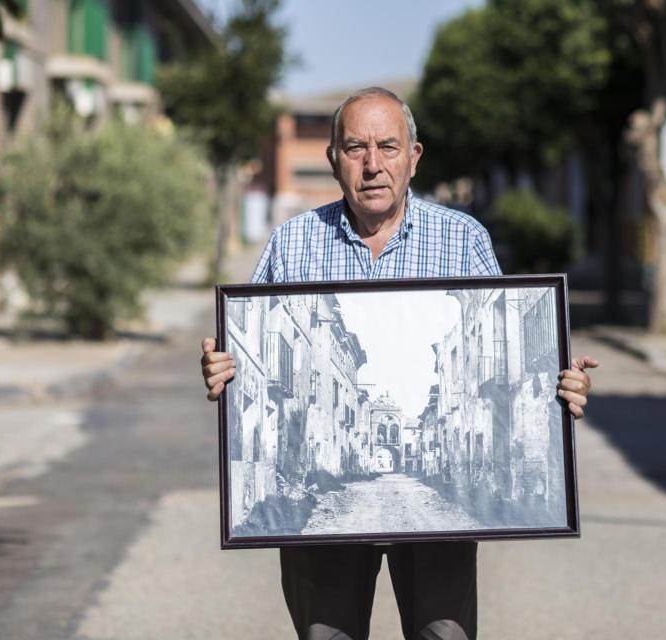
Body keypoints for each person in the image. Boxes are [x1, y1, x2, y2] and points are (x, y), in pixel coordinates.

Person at [200, 87, 599, 640]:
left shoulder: (463, 240)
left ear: (414, 158)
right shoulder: (292, 244)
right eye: (355, 147)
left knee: (444, 636)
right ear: (333, 160)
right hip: (325, 541)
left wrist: (563, 385)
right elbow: (248, 345)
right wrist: (225, 370)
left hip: (432, 539)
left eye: (388, 146)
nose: (372, 165)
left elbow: (521, 337)